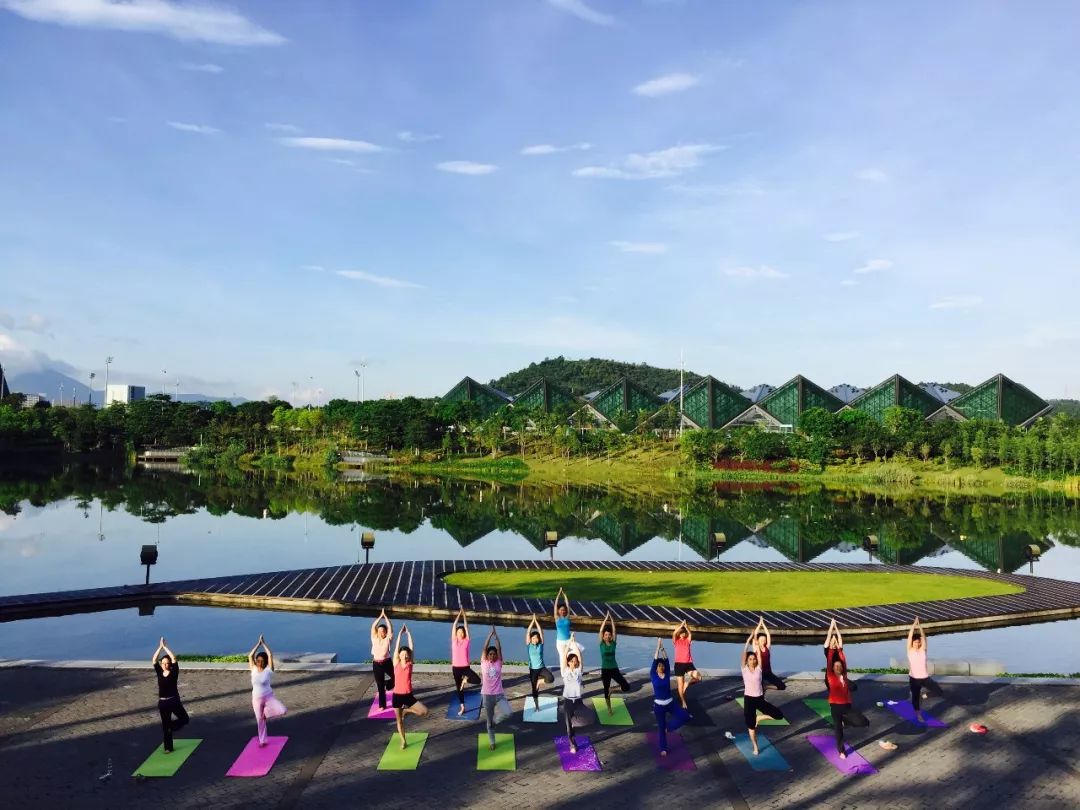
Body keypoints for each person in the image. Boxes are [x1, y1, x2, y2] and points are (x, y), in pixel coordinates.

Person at [823, 621, 868, 758]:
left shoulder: (844, 674)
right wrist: (832, 629)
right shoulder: (830, 673)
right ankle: (841, 750)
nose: (837, 667)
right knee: (838, 729)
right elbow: (831, 659)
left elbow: (841, 653)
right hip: (835, 705)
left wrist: (837, 630)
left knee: (864, 723)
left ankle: (846, 721)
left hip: (846, 705)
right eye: (835, 666)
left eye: (839, 666)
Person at [741, 632, 785, 755]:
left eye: (754, 659)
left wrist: (755, 641)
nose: (752, 660)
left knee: (779, 715)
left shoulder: (759, 669)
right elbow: (744, 653)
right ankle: (755, 747)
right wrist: (749, 640)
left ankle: (759, 718)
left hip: (759, 699)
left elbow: (759, 654)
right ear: (747, 661)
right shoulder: (744, 670)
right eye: (750, 659)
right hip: (749, 700)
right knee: (751, 727)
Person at [650, 639, 689, 757]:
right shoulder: (652, 674)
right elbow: (655, 659)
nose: (661, 666)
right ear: (656, 668)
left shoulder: (666, 673)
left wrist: (663, 649)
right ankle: (663, 748)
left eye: (662, 665)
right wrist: (657, 647)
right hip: (659, 706)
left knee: (685, 716)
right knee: (661, 727)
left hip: (670, 703)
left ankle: (669, 728)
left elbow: (666, 660)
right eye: (659, 665)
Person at [392, 624, 429, 749]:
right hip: (397, 696)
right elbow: (396, 648)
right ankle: (403, 741)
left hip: (408, 695)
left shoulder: (410, 664)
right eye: (402, 654)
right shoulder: (396, 663)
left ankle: (407, 711)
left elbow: (412, 647)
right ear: (399, 655)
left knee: (424, 712)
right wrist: (399, 635)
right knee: (399, 721)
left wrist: (408, 633)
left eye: (406, 654)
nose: (405, 656)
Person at [249, 635, 287, 747]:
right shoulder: (253, 669)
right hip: (256, 699)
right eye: (258, 660)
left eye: (261, 661)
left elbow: (270, 654)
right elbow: (250, 655)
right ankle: (262, 741)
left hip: (268, 697)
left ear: (265, 661)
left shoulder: (269, 670)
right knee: (259, 721)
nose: (259, 662)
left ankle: (266, 713)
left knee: (282, 710)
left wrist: (264, 644)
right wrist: (258, 644)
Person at [151, 637, 188, 753]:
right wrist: (159, 648)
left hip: (174, 701)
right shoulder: (159, 672)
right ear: (161, 664)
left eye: (167, 664)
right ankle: (168, 748)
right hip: (163, 703)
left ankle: (170, 726)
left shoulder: (174, 673)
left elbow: (173, 658)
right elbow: (154, 660)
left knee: (185, 719)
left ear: (170, 665)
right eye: (163, 663)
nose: (165, 665)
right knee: (166, 728)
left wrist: (165, 647)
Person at [906, 617, 942, 720]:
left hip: (925, 677)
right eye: (915, 642)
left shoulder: (923, 650)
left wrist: (920, 626)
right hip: (914, 678)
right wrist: (914, 625)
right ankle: (917, 714)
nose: (917, 644)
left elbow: (924, 638)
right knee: (915, 699)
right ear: (912, 643)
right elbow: (909, 636)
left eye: (918, 642)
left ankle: (924, 696)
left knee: (938, 692)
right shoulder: (909, 650)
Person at [598, 611, 631, 715]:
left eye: (609, 635)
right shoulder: (601, 644)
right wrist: (605, 618)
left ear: (611, 636)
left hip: (614, 669)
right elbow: (600, 630)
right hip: (605, 670)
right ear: (603, 636)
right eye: (606, 634)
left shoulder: (613, 643)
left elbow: (615, 630)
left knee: (626, 687)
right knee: (605, 691)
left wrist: (611, 618)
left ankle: (613, 689)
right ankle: (609, 709)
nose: (607, 636)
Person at [450, 607, 482, 716]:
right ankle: (462, 706)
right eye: (459, 632)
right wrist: (458, 614)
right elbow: (454, 625)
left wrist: (464, 616)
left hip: (465, 667)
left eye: (462, 632)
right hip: (456, 668)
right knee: (459, 688)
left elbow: (466, 626)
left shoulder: (467, 641)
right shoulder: (454, 640)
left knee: (477, 680)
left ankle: (465, 681)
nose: (460, 633)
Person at [480, 626, 505, 750]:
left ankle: (494, 722)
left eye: (494, 654)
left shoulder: (499, 663)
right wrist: (489, 636)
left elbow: (499, 648)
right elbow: (484, 648)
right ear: (487, 655)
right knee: (489, 722)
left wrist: (497, 638)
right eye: (490, 654)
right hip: (487, 695)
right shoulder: (484, 663)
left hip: (499, 694)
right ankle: (492, 742)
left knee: (506, 713)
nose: (492, 656)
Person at [560, 632, 584, 754]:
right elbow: (564, 655)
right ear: (569, 662)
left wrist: (574, 642)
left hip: (578, 700)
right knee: (569, 724)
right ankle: (572, 743)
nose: (575, 662)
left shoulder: (579, 671)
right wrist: (569, 642)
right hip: (568, 700)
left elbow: (580, 656)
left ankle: (574, 729)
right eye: (572, 660)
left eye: (575, 661)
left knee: (584, 719)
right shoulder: (565, 671)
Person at [525, 614, 554, 711]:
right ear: (531, 639)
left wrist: (536, 622)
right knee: (534, 690)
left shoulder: (541, 645)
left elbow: (541, 632)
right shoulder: (529, 645)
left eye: (537, 638)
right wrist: (532, 622)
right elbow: (528, 631)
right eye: (533, 638)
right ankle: (536, 706)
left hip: (541, 668)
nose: (535, 639)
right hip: (533, 670)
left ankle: (539, 681)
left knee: (550, 678)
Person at [671, 619, 701, 711]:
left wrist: (686, 626)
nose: (683, 634)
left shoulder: (688, 641)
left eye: (684, 633)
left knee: (698, 677)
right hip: (679, 665)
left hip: (688, 664)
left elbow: (690, 633)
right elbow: (674, 633)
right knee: (680, 685)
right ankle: (683, 701)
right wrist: (681, 625)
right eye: (681, 633)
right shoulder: (676, 641)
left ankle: (687, 684)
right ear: (679, 634)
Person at [371, 609, 395, 710]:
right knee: (380, 686)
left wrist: (386, 618)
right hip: (377, 664)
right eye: (380, 631)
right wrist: (380, 617)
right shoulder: (374, 638)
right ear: (377, 632)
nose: (381, 632)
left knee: (395, 677)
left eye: (383, 631)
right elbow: (373, 627)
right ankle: (382, 705)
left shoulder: (388, 639)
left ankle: (388, 684)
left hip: (387, 662)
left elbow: (390, 628)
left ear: (386, 633)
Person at [754, 617, 786, 691]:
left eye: (764, 640)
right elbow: (755, 634)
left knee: (782, 686)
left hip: (768, 672)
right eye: (761, 640)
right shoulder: (756, 648)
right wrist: (759, 624)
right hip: (759, 673)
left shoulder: (767, 647)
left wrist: (763, 624)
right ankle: (762, 687)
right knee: (758, 689)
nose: (763, 641)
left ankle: (766, 687)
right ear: (757, 641)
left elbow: (768, 634)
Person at [553, 588, 573, 663]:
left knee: (569, 656)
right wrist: (558, 594)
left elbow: (567, 605)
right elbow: (555, 605)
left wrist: (564, 595)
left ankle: (569, 671)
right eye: (561, 610)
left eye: (564, 610)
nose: (562, 611)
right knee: (562, 657)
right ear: (558, 611)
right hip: (560, 641)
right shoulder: (557, 618)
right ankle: (563, 672)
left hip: (568, 640)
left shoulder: (567, 617)